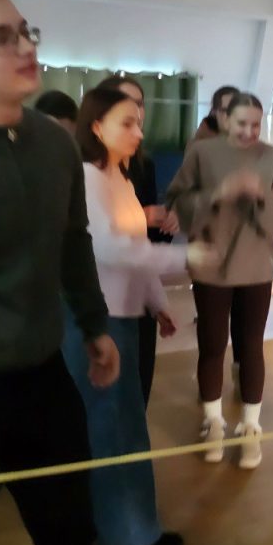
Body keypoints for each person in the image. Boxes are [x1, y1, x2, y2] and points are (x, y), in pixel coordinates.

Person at [0, 0, 163, 545]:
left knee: (67, 520)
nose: (24, 46)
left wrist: (93, 325)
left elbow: (72, 242)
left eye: (24, 31)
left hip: (39, 369)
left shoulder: (54, 147)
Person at [63, 86, 214, 545]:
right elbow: (111, 250)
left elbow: (133, 247)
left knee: (122, 425)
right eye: (126, 122)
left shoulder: (118, 179)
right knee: (112, 430)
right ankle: (126, 539)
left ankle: (124, 529)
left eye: (140, 121)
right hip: (98, 323)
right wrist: (188, 256)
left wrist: (157, 302)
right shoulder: (88, 178)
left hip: (122, 318)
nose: (138, 132)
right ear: (96, 126)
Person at [167, 92, 273, 469]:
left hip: (256, 268)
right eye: (241, 123)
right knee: (213, 343)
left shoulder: (272, 157)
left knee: (251, 346)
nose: (249, 131)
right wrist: (219, 194)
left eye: (256, 124)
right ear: (224, 119)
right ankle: (213, 421)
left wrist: (260, 198)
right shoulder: (203, 152)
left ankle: (250, 427)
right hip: (211, 266)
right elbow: (178, 203)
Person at [96, 74, 179, 407]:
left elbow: (148, 242)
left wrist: (166, 223)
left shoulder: (144, 164)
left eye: (139, 104)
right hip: (103, 297)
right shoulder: (88, 167)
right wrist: (140, 217)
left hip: (139, 290)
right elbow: (89, 236)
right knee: (106, 393)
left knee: (139, 383)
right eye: (124, 104)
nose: (135, 111)